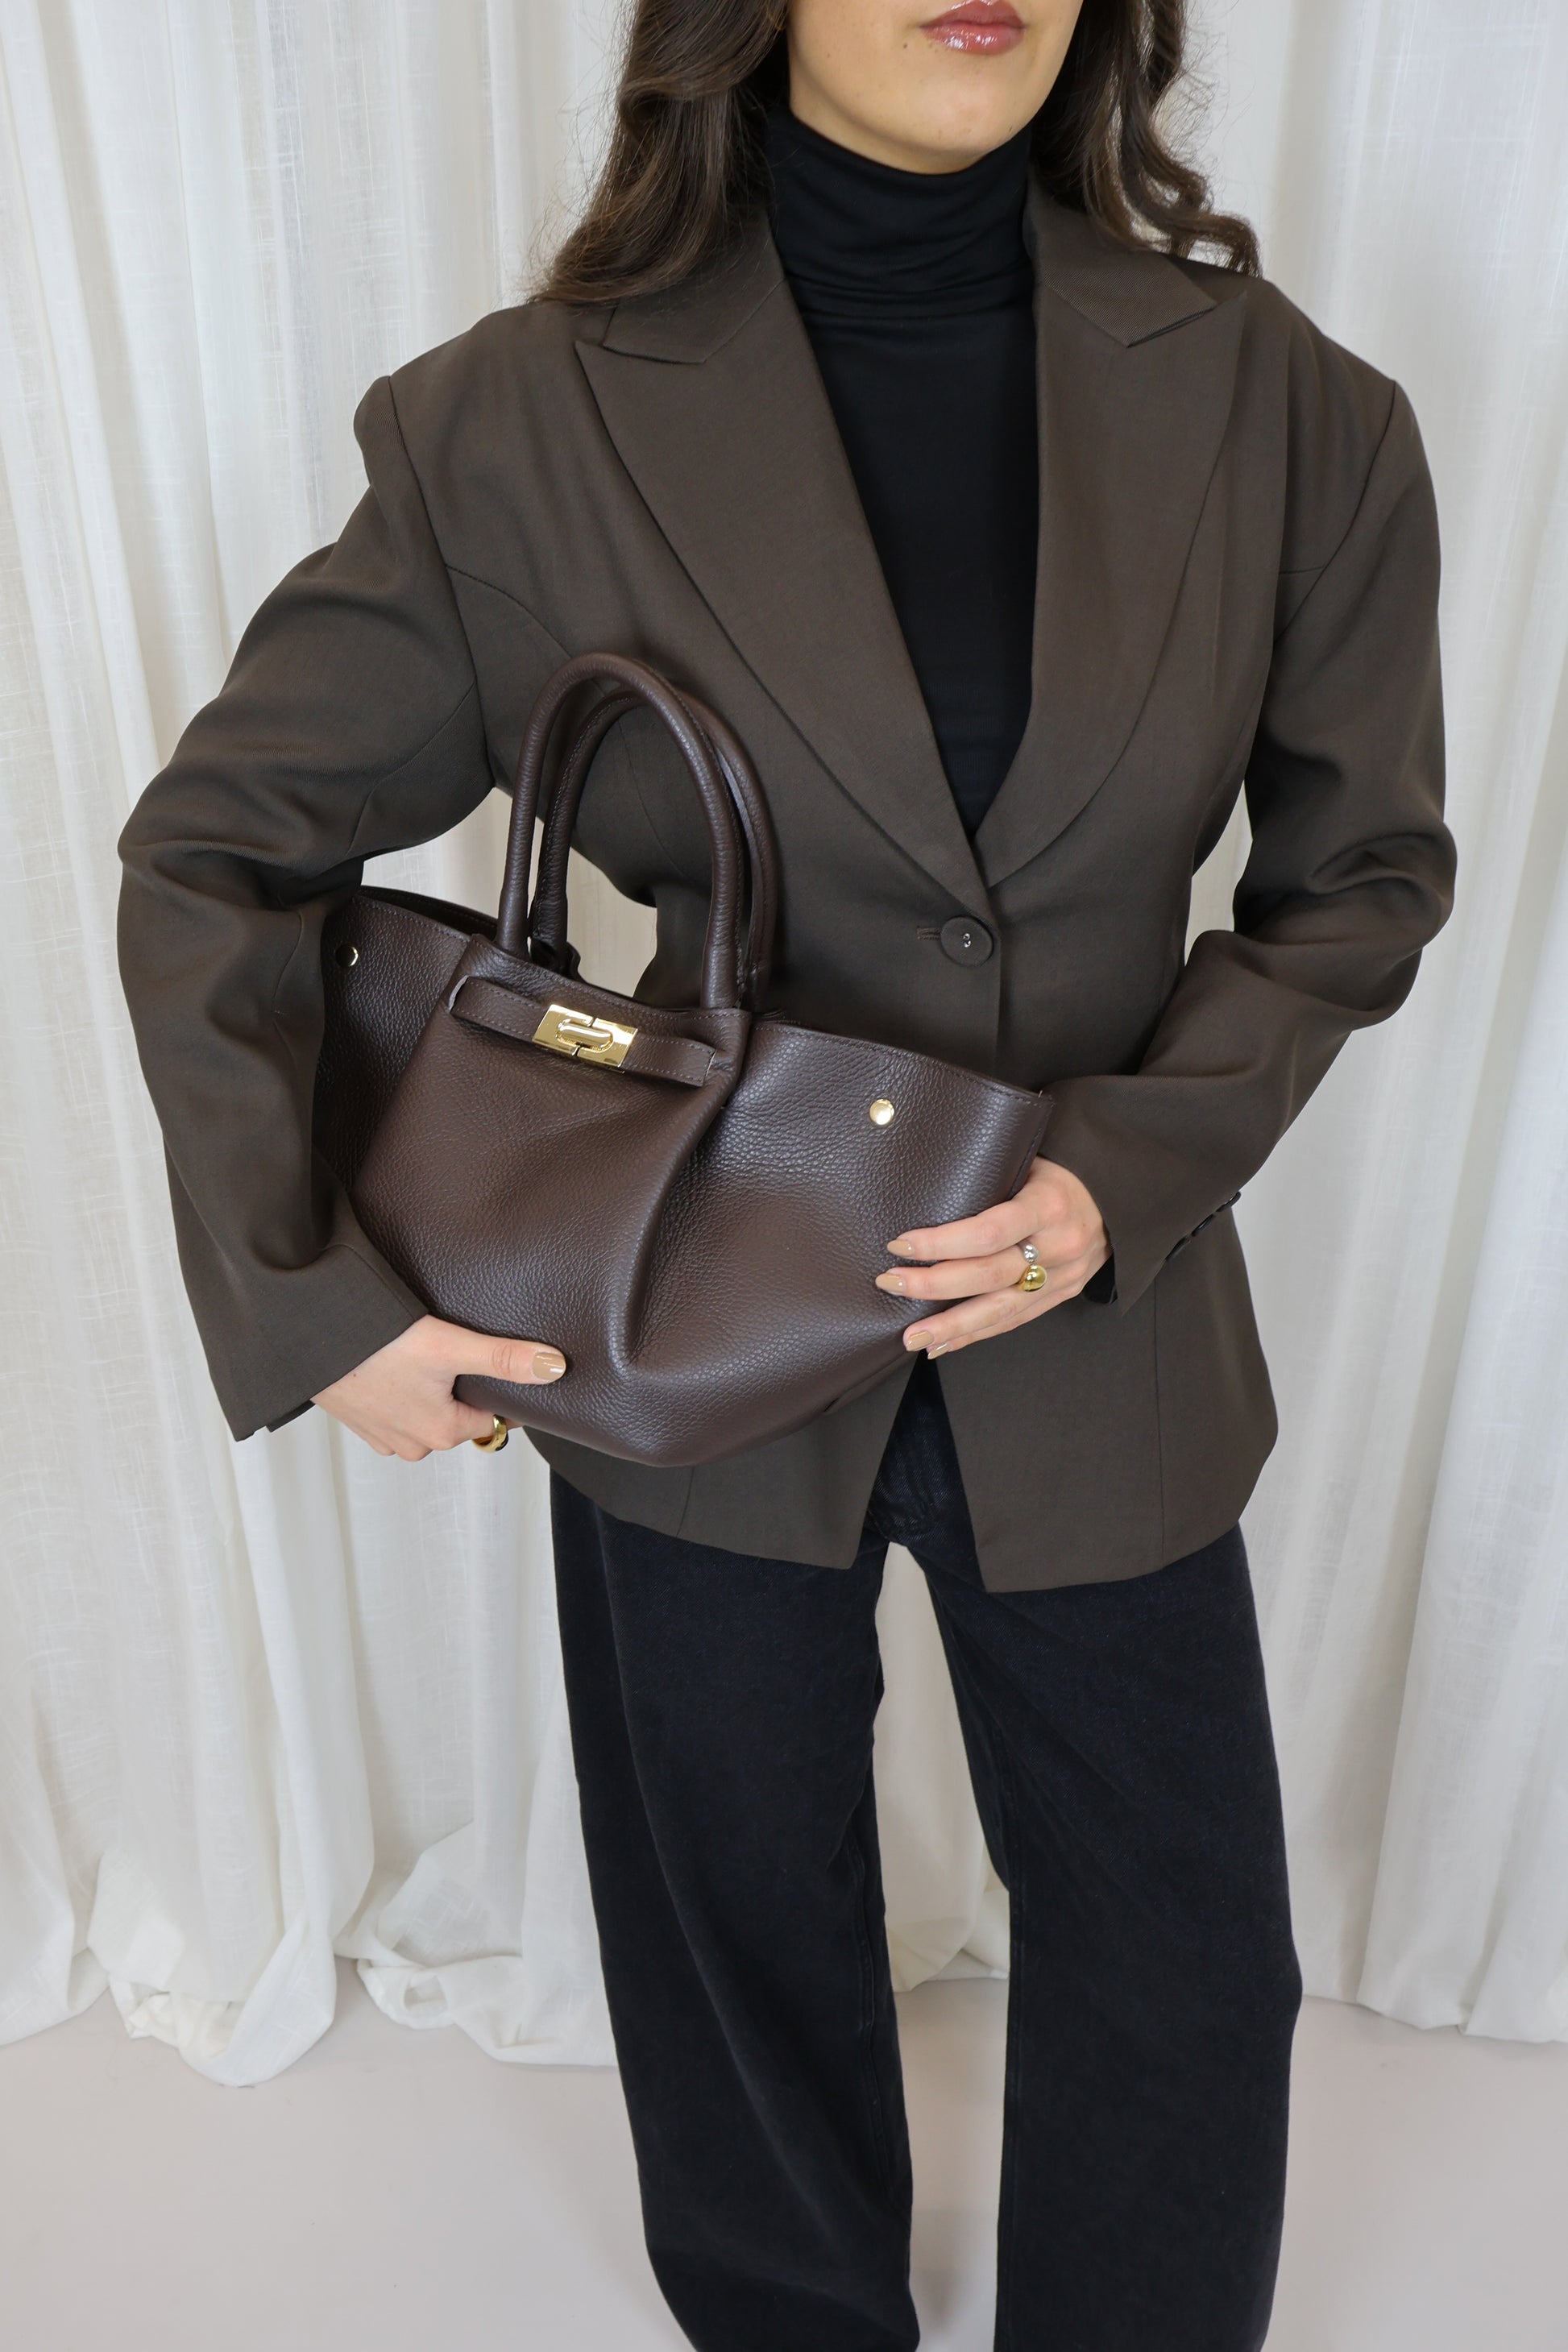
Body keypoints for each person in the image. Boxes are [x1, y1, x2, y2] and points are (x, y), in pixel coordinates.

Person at [117, 2, 1455, 2346]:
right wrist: (315, 1293)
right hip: (673, 1322)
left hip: (1097, 1326)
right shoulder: (513, 427)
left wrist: (1122, 1173)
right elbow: (216, 852)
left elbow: (1358, 881)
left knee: (1180, 1949)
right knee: (730, 1930)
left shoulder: (1289, 410)